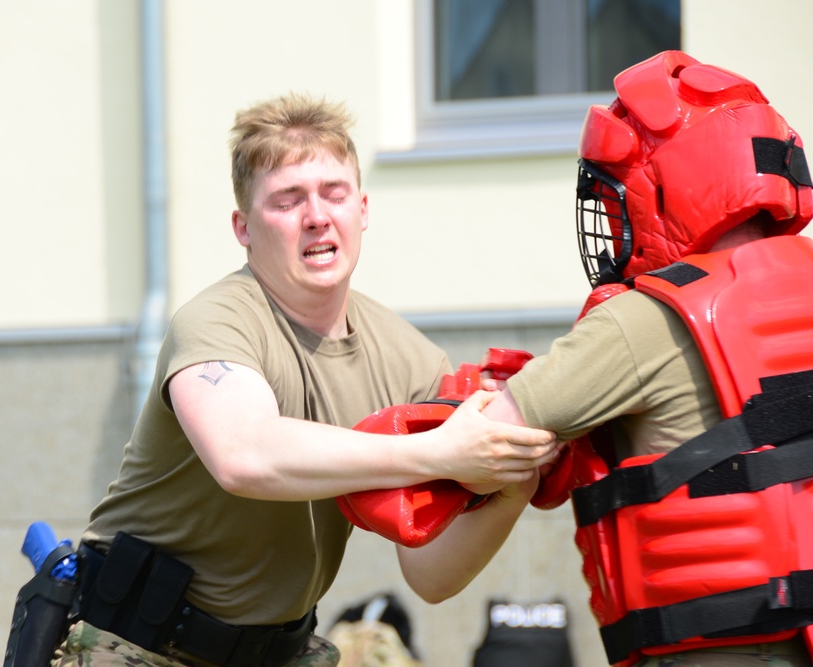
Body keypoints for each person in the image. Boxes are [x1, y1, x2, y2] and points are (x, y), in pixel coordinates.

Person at [49, 92, 558, 667]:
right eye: (287, 200)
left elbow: (430, 574)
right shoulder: (217, 320)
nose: (317, 215)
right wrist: (439, 449)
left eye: (333, 193)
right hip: (135, 646)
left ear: (362, 210)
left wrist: (513, 483)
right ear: (243, 227)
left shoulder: (408, 358)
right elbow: (243, 456)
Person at [391, 50, 813, 666]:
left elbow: (483, 438)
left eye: (620, 195)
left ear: (673, 186)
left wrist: (397, 437)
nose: (613, 220)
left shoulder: (644, 319)